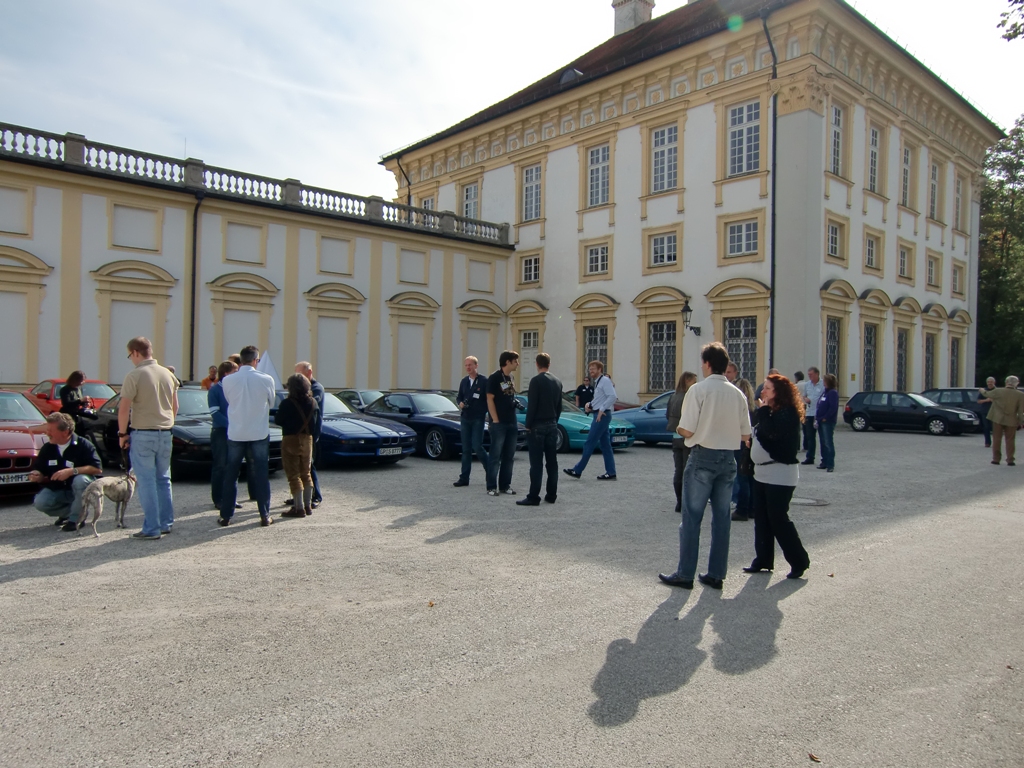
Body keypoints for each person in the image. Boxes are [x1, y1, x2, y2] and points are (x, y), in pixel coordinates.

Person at [659, 342, 751, 591]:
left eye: (703, 362)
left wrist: (681, 429)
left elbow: (687, 429)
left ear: (708, 364)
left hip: (703, 456)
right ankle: (716, 574)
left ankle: (685, 574)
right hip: (727, 458)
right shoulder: (737, 394)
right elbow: (746, 434)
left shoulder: (698, 390)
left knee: (692, 517)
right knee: (722, 519)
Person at [743, 373, 810, 579]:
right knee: (762, 519)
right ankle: (763, 559)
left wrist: (763, 412)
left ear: (778, 393)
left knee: (778, 519)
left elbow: (772, 435)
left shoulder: (787, 413)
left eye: (767, 388)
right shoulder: (769, 411)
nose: (762, 391)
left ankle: (799, 561)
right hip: (762, 473)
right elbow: (760, 434)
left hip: (780, 474)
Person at [118, 336, 179, 539]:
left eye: (130, 356)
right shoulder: (168, 374)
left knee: (146, 482)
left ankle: (151, 527)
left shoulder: (134, 375)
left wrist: (122, 434)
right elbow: (175, 406)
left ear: (135, 352)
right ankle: (166, 522)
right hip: (166, 431)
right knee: (164, 479)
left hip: (143, 432)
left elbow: (124, 409)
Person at [219, 345, 277, 526]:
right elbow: (271, 402)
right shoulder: (266, 379)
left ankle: (226, 515)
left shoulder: (228, 380)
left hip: (236, 431)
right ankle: (264, 514)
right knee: (261, 474)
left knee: (231, 474)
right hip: (258, 431)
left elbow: (229, 400)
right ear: (255, 360)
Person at [28, 412, 102, 531]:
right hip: (59, 490)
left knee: (80, 480)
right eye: (47, 430)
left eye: (51, 431)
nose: (47, 433)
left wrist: (72, 471)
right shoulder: (48, 448)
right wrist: (36, 475)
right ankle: (71, 513)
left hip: (79, 490)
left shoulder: (83, 445)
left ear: (65, 432)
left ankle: (76, 519)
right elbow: (40, 469)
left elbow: (97, 468)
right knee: (40, 502)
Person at [517, 353, 563, 506]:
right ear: (549, 364)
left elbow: (533, 405)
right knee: (552, 462)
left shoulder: (535, 381)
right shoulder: (557, 381)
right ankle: (551, 495)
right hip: (552, 423)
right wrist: (555, 421)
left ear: (537, 364)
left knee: (536, 463)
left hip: (537, 425)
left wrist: (528, 424)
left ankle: (533, 496)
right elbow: (559, 406)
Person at [275, 373, 320, 517]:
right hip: (307, 439)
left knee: (293, 475)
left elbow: (278, 420)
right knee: (306, 473)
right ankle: (308, 506)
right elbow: (316, 423)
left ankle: (298, 508)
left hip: (291, 439)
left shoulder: (287, 403)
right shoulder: (313, 402)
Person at [563, 360, 618, 481]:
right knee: (605, 445)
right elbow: (599, 399)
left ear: (600, 369)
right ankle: (611, 472)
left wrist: (601, 409)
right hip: (600, 414)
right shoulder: (599, 382)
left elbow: (613, 396)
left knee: (589, 442)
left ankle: (577, 470)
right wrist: (590, 405)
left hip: (602, 416)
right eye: (590, 369)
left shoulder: (605, 381)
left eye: (593, 369)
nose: (591, 371)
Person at [485, 350, 520, 497]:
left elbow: (510, 395)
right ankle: (491, 487)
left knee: (509, 456)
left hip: (512, 421)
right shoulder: (494, 377)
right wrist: (495, 419)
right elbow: (489, 398)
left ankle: (505, 485)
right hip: (499, 423)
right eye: (515, 361)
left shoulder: (510, 377)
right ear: (507, 362)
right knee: (495, 456)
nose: (518, 364)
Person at [454, 355, 489, 487]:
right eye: (466, 365)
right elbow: (459, 397)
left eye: (470, 365)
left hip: (478, 418)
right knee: (466, 449)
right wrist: (460, 403)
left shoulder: (483, 381)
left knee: (477, 446)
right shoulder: (464, 381)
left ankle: (490, 470)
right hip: (465, 418)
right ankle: (464, 478)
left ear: (476, 366)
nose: (468, 367)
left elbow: (489, 399)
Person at [207, 360, 239, 510]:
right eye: (235, 372)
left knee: (233, 465)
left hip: (236, 431)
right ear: (226, 373)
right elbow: (215, 413)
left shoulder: (236, 388)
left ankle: (231, 498)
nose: (237, 374)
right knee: (220, 465)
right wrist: (231, 425)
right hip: (221, 431)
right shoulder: (215, 390)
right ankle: (218, 498)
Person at [665, 371, 697, 514]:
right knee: (687, 470)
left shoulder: (673, 396)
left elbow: (668, 415)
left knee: (678, 470)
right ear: (687, 381)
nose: (695, 385)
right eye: (694, 382)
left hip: (675, 436)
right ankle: (685, 501)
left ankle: (679, 502)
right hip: (686, 436)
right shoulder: (688, 397)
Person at [294, 362, 324, 509]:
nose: (297, 377)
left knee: (309, 465)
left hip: (311, 432)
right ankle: (299, 495)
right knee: (298, 465)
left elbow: (311, 403)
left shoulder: (317, 388)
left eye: (299, 373)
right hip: (300, 432)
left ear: (309, 372)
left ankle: (316, 495)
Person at [980, 376, 1024, 466]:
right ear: (1016, 384)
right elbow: (1020, 411)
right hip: (1011, 419)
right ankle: (1010, 460)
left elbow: (987, 394)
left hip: (997, 418)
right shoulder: (1020, 394)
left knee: (996, 439)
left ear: (1006, 382)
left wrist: (981, 390)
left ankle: (996, 459)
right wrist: (1021, 422)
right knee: (1010, 440)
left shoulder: (998, 391)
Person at [731, 378, 759, 522]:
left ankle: (742, 509)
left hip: (741, 443)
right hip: (753, 444)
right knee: (751, 476)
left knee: (742, 477)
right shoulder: (755, 411)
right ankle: (752, 508)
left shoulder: (738, 411)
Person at [800, 367, 825, 465]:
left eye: (811, 374)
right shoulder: (807, 385)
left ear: (817, 374)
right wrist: (805, 399)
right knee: (810, 437)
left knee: (823, 437)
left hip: (819, 414)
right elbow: (804, 395)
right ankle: (810, 457)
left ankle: (824, 459)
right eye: (809, 375)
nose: (810, 376)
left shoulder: (823, 384)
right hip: (809, 413)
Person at [815, 373, 840, 472]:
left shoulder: (833, 393)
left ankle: (830, 464)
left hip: (827, 421)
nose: (823, 382)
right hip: (820, 420)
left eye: (825, 381)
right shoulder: (825, 392)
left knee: (828, 442)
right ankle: (824, 461)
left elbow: (833, 408)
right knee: (822, 442)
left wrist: (826, 417)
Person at [59, 370, 90, 435]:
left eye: (83, 380)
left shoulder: (78, 389)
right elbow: (66, 403)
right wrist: (80, 400)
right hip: (68, 416)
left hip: (77, 415)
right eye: (81, 381)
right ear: (75, 380)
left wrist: (85, 402)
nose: (82, 383)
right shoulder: (65, 390)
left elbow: (78, 402)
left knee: (81, 432)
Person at [978, 376, 996, 448]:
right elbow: (978, 401)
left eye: (991, 382)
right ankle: (987, 442)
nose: (989, 383)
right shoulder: (984, 391)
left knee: (995, 428)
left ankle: (996, 442)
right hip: (985, 411)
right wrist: (986, 400)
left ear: (994, 382)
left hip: (995, 412)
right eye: (988, 382)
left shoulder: (997, 390)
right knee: (986, 427)